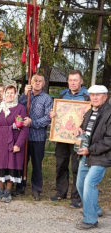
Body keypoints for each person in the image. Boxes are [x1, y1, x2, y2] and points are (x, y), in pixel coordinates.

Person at [49, 70, 89, 208]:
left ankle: (76, 197)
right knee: (61, 164)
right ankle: (61, 192)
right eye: (70, 80)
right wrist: (53, 114)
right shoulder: (62, 94)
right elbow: (57, 112)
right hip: (62, 136)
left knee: (76, 166)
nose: (72, 82)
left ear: (81, 81)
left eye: (75, 80)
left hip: (78, 138)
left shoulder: (86, 97)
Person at [75, 85, 111, 230]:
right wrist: (80, 129)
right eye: (92, 95)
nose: (95, 97)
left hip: (101, 155)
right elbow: (86, 128)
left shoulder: (109, 113)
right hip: (87, 153)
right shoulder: (90, 111)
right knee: (80, 184)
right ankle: (95, 209)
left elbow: (109, 139)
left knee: (89, 183)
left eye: (98, 95)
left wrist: (90, 150)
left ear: (105, 97)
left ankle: (90, 220)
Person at [0, 85, 29, 203]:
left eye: (12, 93)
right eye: (8, 93)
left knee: (11, 165)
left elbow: (24, 129)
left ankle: (8, 191)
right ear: (5, 94)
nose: (10, 95)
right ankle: (0, 189)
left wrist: (18, 144)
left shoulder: (20, 108)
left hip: (13, 141)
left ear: (16, 95)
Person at [16, 74, 53, 201]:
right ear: (30, 82)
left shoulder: (47, 99)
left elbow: (48, 118)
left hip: (38, 137)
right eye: (35, 81)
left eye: (40, 81)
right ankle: (20, 187)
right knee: (22, 162)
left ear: (43, 83)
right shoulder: (26, 96)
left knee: (37, 164)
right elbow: (17, 108)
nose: (37, 83)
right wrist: (24, 94)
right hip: (23, 137)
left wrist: (33, 122)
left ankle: (36, 189)